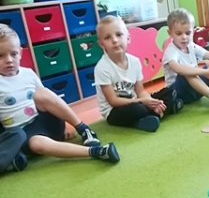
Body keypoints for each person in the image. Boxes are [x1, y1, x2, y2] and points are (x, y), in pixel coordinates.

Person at [0, 24, 120, 169]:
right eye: (1, 56)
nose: (9, 60)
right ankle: (96, 152)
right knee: (36, 144)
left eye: (13, 54)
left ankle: (84, 129)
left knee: (41, 93)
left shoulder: (28, 74)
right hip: (25, 136)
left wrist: (63, 128)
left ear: (20, 53)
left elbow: (48, 100)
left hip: (46, 123)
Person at [95, 16, 183, 133]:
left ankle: (149, 117)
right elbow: (113, 101)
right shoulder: (102, 68)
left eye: (119, 35)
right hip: (114, 111)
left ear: (128, 38)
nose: (115, 40)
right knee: (137, 109)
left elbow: (140, 91)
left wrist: (152, 102)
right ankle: (160, 113)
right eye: (107, 37)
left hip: (136, 101)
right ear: (101, 44)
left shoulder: (135, 62)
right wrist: (143, 102)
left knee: (170, 92)